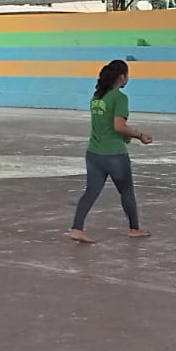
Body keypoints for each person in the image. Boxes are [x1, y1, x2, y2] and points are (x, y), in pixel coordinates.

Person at [68, 59, 152, 243]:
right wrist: (139, 135)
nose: (128, 78)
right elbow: (118, 126)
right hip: (114, 155)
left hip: (94, 153)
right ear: (121, 77)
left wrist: (124, 136)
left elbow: (106, 126)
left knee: (91, 191)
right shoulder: (120, 98)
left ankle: (77, 228)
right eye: (127, 75)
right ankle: (134, 228)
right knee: (126, 191)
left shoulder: (97, 97)